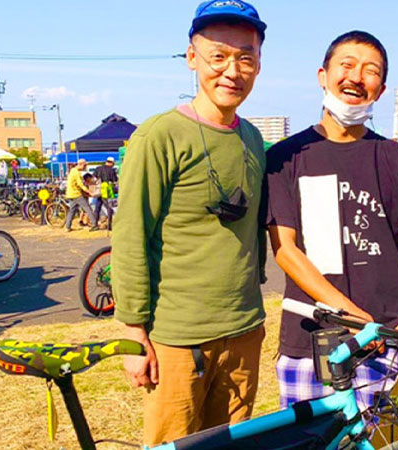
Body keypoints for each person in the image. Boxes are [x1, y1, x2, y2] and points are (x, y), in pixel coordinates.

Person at [111, 1, 267, 446]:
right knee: (173, 445)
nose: (232, 70)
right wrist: (134, 333)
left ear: (258, 65)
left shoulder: (253, 138)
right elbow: (130, 235)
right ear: (192, 58)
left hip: (243, 332)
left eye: (245, 56)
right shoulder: (158, 135)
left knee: (230, 442)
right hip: (178, 341)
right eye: (218, 55)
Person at [266, 30, 398, 409]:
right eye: (346, 65)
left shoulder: (397, 158)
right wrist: (348, 313)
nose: (356, 77)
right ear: (323, 75)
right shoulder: (287, 156)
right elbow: (285, 250)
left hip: (389, 336)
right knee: (312, 438)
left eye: (370, 71)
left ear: (380, 90)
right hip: (310, 340)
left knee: (385, 439)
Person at [64, 159, 98, 232]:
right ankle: (95, 225)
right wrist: (89, 192)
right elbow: (80, 185)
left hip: (70, 194)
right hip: (76, 194)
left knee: (72, 211)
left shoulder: (72, 171)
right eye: (85, 165)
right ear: (81, 164)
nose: (85, 167)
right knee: (88, 209)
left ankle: (67, 227)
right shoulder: (76, 173)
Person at [93, 156, 118, 230]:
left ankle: (95, 225)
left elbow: (94, 178)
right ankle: (109, 226)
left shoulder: (98, 168)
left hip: (99, 191)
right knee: (109, 208)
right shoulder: (112, 170)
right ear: (111, 163)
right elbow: (114, 180)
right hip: (107, 191)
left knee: (97, 208)